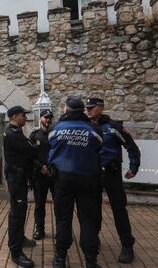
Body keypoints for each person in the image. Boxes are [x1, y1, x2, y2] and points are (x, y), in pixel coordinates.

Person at [48, 96, 103, 268]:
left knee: (63, 218)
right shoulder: (93, 129)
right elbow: (98, 147)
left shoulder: (56, 128)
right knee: (88, 219)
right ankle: (90, 260)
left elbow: (51, 144)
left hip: (63, 179)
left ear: (66, 110)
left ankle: (60, 258)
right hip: (87, 179)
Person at [85, 97, 141, 264]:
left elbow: (131, 147)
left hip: (112, 174)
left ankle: (127, 245)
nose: (88, 110)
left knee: (119, 210)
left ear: (101, 108)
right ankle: (94, 240)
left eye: (92, 107)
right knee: (93, 210)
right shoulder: (86, 127)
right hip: (93, 175)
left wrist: (133, 167)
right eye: (87, 108)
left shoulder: (114, 127)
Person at [4, 105, 37, 268]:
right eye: (23, 115)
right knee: (16, 214)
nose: (25, 118)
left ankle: (20, 238)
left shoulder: (16, 132)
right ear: (15, 116)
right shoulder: (13, 134)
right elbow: (30, 150)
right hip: (16, 179)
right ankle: (15, 252)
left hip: (19, 177)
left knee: (20, 211)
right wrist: (36, 145)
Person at [29, 109, 54, 240]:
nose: (48, 120)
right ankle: (39, 229)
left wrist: (50, 167)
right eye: (46, 117)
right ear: (40, 118)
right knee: (39, 204)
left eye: (50, 117)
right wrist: (41, 167)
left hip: (54, 174)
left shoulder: (55, 134)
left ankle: (61, 231)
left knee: (60, 204)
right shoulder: (34, 135)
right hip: (39, 174)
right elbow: (30, 155)